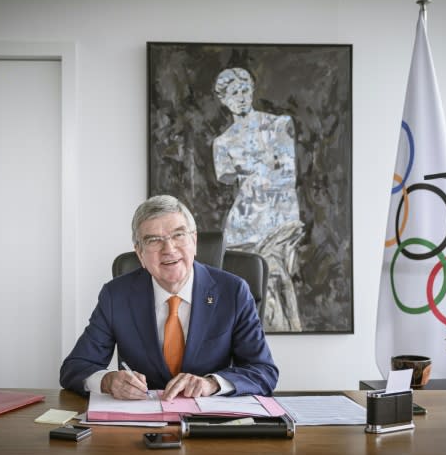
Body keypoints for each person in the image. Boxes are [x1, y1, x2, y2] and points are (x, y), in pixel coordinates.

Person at [59, 195, 278, 400]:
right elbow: (75, 368)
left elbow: (263, 371)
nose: (169, 249)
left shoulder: (233, 291)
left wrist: (212, 384)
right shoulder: (116, 296)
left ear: (194, 241)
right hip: (141, 424)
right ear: (140, 254)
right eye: (154, 240)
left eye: (178, 235)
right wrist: (107, 381)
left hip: (210, 423)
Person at [212, 67, 305, 331]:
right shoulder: (222, 142)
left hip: (276, 217)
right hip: (243, 221)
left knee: (277, 279)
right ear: (224, 99)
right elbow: (228, 177)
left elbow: (288, 177)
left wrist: (288, 222)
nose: (240, 97)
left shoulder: (278, 125)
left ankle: (287, 334)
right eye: (233, 93)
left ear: (252, 90)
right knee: (244, 288)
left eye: (244, 90)